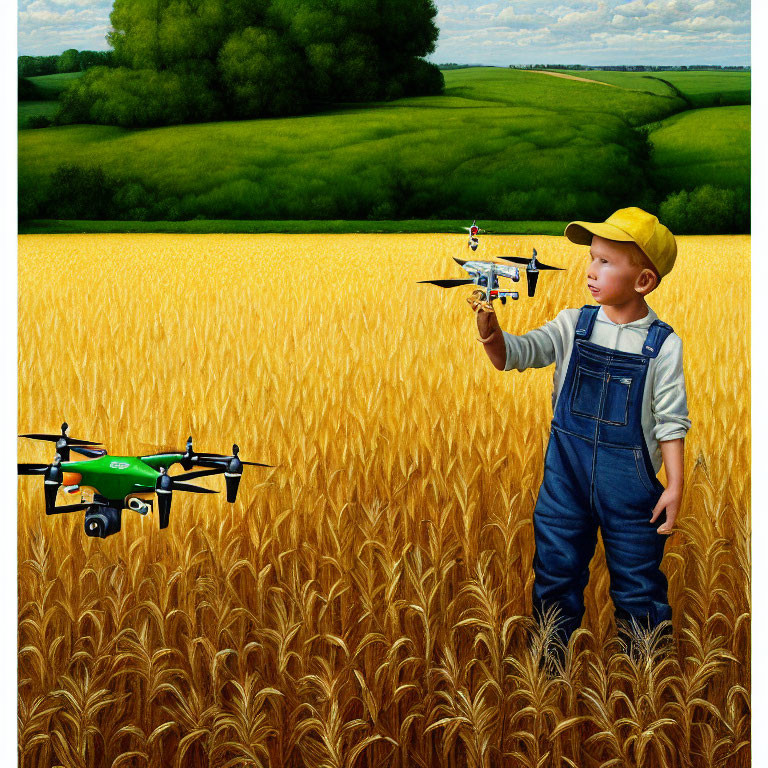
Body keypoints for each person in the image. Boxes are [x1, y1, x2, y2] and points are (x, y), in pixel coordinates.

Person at [470, 207, 691, 660]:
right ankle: (547, 679)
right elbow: (519, 353)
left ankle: (644, 684)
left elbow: (671, 419)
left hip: (632, 494)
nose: (590, 270)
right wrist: (492, 336)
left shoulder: (663, 345)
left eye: (606, 262)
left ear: (644, 280)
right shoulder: (574, 324)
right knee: (555, 576)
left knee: (638, 587)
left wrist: (675, 484)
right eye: (592, 257)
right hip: (564, 482)